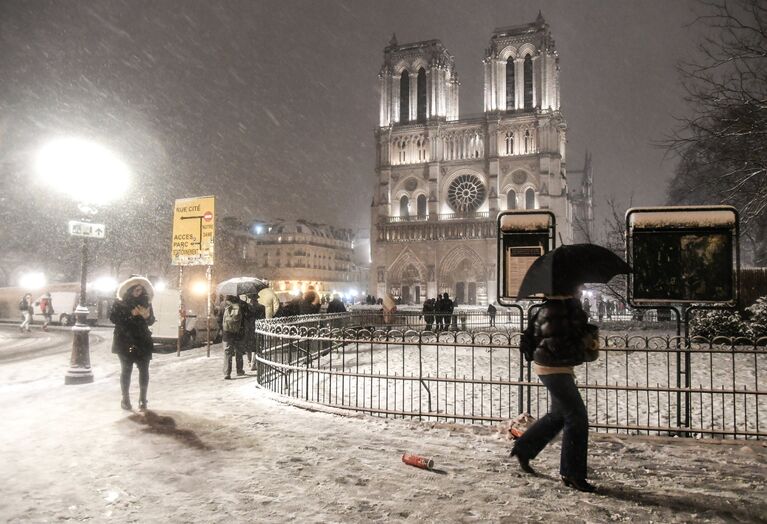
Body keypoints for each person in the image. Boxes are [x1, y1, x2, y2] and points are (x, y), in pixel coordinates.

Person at [511, 286, 599, 493]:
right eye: (577, 289)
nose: (579, 292)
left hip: (549, 366)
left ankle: (524, 448)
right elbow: (563, 343)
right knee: (577, 418)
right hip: (555, 367)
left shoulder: (547, 309)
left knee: (559, 414)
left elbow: (534, 339)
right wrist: (586, 339)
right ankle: (573, 473)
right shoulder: (564, 311)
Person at [110, 276, 156, 411]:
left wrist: (147, 317)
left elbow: (151, 320)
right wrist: (132, 314)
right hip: (125, 340)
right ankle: (125, 399)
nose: (139, 292)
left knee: (144, 370)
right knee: (126, 370)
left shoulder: (146, 302)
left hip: (142, 340)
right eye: (136, 289)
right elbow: (113, 318)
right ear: (129, 289)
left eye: (141, 289)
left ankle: (143, 399)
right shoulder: (119, 303)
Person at [218, 294, 251, 379]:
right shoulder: (243, 304)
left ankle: (227, 373)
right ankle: (239, 370)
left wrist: (223, 328)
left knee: (227, 352)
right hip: (239, 332)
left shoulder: (223, 305)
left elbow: (218, 319)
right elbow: (248, 317)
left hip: (227, 333)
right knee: (239, 352)